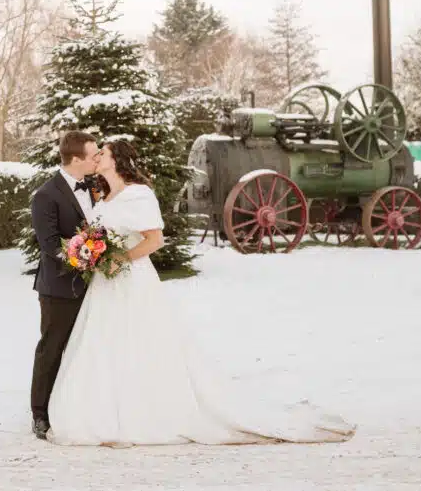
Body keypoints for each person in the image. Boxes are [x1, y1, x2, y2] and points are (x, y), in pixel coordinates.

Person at [45, 138, 356, 447]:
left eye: (104, 152)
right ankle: (102, 411)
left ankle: (144, 412)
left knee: (141, 342)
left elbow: (154, 241)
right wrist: (91, 254)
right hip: (105, 284)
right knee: (103, 343)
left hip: (132, 279)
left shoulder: (139, 195)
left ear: (118, 160)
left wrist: (119, 259)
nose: (97, 156)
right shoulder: (105, 197)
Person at [29, 130, 100, 440]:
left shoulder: (96, 188)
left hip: (96, 286)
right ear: (76, 159)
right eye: (93, 155)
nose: (97, 159)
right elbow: (48, 246)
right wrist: (81, 262)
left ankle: (74, 407)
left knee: (85, 348)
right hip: (59, 289)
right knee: (52, 349)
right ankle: (40, 414)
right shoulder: (45, 195)